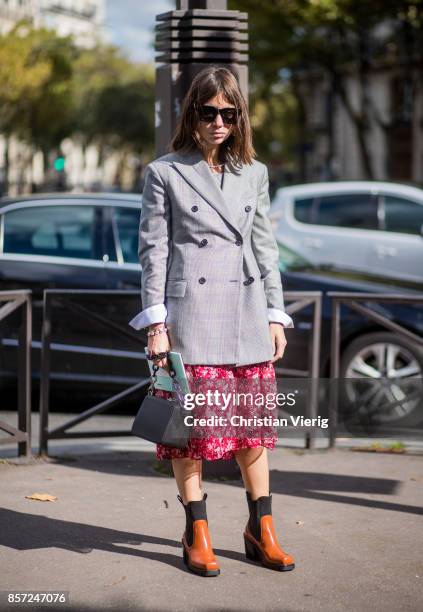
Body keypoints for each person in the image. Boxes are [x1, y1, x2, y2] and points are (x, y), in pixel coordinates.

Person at [129, 66, 295, 577]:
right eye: (209, 112)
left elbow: (266, 249)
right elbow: (153, 254)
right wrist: (157, 324)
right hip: (191, 319)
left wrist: (275, 314)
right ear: (192, 114)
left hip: (245, 313)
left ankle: (261, 528)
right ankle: (197, 530)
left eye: (229, 112)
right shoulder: (165, 172)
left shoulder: (255, 173)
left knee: (251, 432)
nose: (219, 122)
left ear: (239, 116)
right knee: (191, 432)